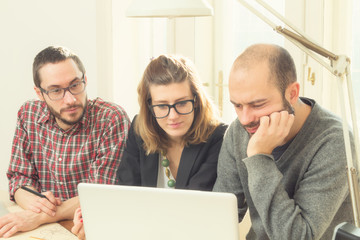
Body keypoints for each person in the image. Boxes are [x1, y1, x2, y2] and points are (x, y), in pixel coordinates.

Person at [71, 55, 227, 239]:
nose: (173, 116)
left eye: (182, 103)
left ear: (197, 100)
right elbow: (126, 194)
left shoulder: (218, 137)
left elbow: (190, 211)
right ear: (149, 105)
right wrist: (95, 220)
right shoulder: (139, 129)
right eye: (162, 106)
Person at [213, 43, 354, 240]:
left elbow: (299, 237)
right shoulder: (239, 130)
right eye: (237, 105)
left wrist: (259, 158)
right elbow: (218, 215)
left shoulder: (335, 141)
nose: (245, 119)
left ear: (292, 94)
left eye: (257, 104)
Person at [0, 46, 130, 238]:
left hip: (89, 228)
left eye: (75, 85)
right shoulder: (28, 114)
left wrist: (39, 217)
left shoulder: (111, 119)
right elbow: (19, 177)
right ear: (39, 93)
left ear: (85, 80)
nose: (70, 99)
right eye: (56, 91)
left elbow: (101, 194)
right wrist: (36, 203)